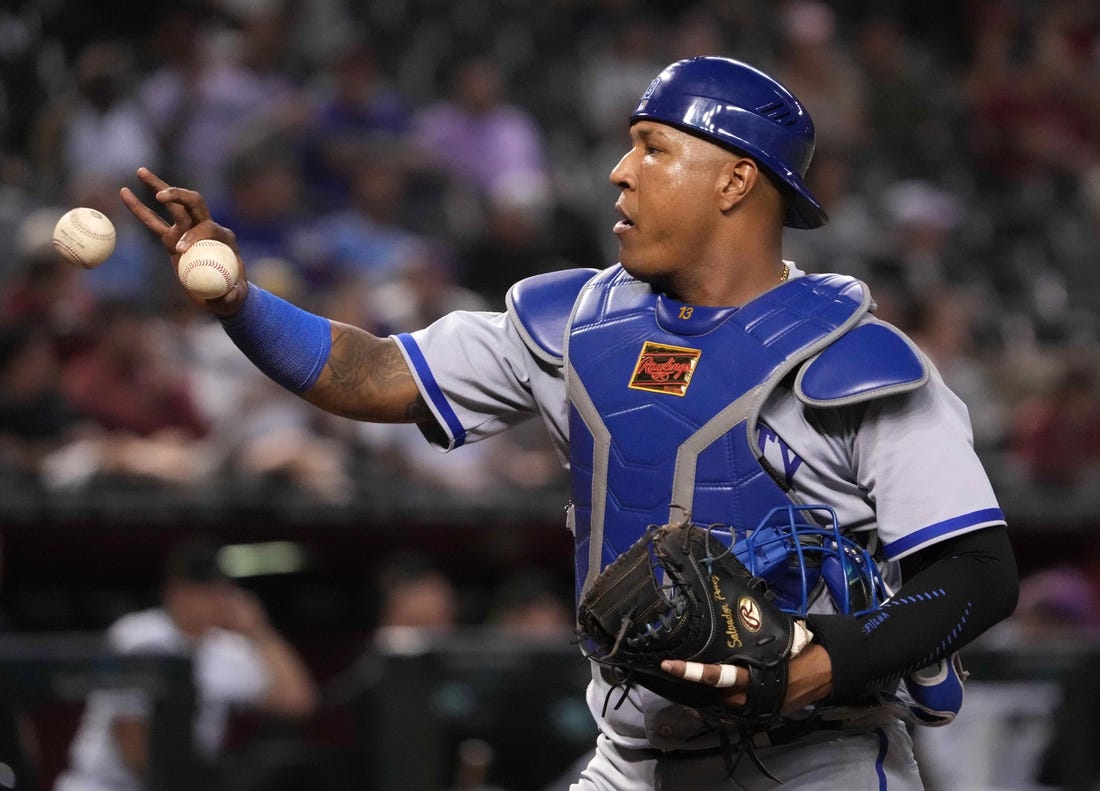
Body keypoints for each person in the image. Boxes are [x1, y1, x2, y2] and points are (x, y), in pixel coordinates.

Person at [121, 56, 1018, 790]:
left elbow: (979, 574)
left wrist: (822, 660)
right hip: (633, 760)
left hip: (813, 760)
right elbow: (380, 373)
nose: (620, 172)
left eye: (652, 147)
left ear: (736, 180)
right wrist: (240, 301)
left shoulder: (855, 360)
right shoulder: (577, 328)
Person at [54, 537, 318, 791]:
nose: (214, 599)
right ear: (175, 591)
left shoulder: (228, 650)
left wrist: (259, 630)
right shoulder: (139, 635)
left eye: (219, 589)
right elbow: (130, 737)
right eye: (201, 590)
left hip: (180, 783)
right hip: (106, 785)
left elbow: (297, 702)